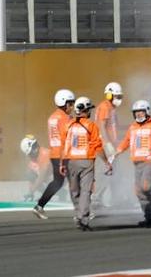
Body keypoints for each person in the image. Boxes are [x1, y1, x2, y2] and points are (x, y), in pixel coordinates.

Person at [114, 100, 151, 227]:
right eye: (136, 112)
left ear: (147, 111)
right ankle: (149, 218)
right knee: (138, 191)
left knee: (145, 187)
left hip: (150, 160)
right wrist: (117, 151)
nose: (138, 114)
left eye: (141, 111)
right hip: (137, 162)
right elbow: (126, 141)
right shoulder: (132, 127)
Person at [63, 97, 113, 231]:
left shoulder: (68, 125)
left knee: (75, 191)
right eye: (89, 109)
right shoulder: (91, 126)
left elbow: (65, 145)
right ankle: (82, 218)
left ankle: (79, 214)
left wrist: (63, 162)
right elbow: (98, 146)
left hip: (71, 161)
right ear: (85, 109)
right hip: (86, 162)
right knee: (86, 191)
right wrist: (106, 162)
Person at [33, 89, 75, 220]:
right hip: (64, 154)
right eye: (70, 103)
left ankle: (39, 206)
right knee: (74, 183)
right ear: (64, 103)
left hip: (54, 154)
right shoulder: (65, 118)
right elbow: (66, 137)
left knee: (58, 182)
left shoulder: (52, 117)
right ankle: (82, 210)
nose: (72, 107)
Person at [20, 135, 51, 203]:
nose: (30, 156)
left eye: (30, 153)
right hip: (49, 177)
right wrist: (30, 193)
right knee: (30, 175)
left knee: (50, 180)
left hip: (60, 178)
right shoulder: (33, 158)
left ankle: (49, 195)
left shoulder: (45, 154)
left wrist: (31, 192)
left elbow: (41, 177)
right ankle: (58, 193)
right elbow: (31, 177)